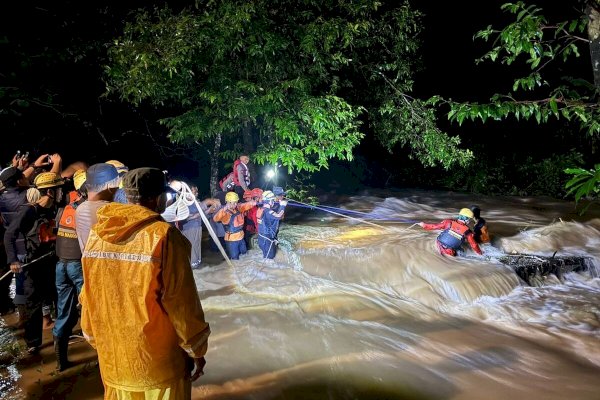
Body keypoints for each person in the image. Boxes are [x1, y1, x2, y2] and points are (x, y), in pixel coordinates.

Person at [79, 167, 210, 399]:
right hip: (158, 363)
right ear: (158, 198)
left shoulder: (97, 235)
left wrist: (96, 340)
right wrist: (195, 349)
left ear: (128, 197)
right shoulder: (165, 237)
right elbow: (181, 303)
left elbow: (88, 295)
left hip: (114, 360)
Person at [5, 172, 64, 353]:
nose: (61, 191)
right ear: (50, 192)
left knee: (57, 296)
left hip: (52, 260)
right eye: (58, 189)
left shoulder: (57, 208)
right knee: (33, 304)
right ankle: (33, 343)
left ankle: (60, 336)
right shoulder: (30, 210)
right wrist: (13, 260)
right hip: (33, 264)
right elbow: (9, 236)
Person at [52, 169, 87, 371]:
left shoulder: (66, 205)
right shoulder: (86, 209)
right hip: (76, 265)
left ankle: (60, 363)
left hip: (61, 265)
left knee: (63, 312)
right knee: (90, 306)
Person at [75, 163, 120, 252]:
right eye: (116, 187)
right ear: (109, 187)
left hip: (88, 263)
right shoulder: (113, 210)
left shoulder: (80, 209)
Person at [418, 208, 482, 257]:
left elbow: (434, 226)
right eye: (470, 219)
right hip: (449, 252)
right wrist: (480, 253)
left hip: (437, 245)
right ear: (467, 220)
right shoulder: (468, 232)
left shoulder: (448, 222)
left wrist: (424, 225)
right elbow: (474, 245)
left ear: (459, 215)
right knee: (462, 250)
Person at [212, 191, 256, 260]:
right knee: (235, 259)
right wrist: (224, 209)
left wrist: (252, 203)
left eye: (236, 202)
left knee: (245, 255)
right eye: (233, 202)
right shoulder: (225, 213)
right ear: (228, 202)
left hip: (241, 238)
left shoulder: (238, 208)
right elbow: (215, 219)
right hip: (232, 241)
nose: (235, 204)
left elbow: (245, 205)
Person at [257, 190, 287, 260]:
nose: (273, 201)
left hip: (262, 237)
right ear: (269, 201)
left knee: (266, 256)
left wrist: (280, 203)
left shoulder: (261, 209)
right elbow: (279, 216)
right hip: (266, 239)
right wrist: (282, 205)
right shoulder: (268, 211)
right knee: (269, 259)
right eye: (272, 200)